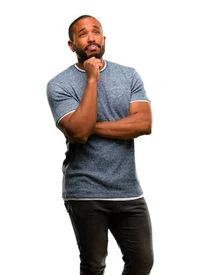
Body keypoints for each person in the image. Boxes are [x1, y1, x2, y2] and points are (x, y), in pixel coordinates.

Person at [46, 15, 154, 275]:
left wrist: (87, 127)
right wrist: (92, 79)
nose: (91, 37)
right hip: (85, 191)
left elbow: (143, 124)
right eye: (83, 34)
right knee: (94, 266)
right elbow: (79, 134)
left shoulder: (128, 75)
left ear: (104, 39)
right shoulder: (59, 84)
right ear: (72, 45)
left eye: (96, 32)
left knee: (142, 261)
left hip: (128, 190)